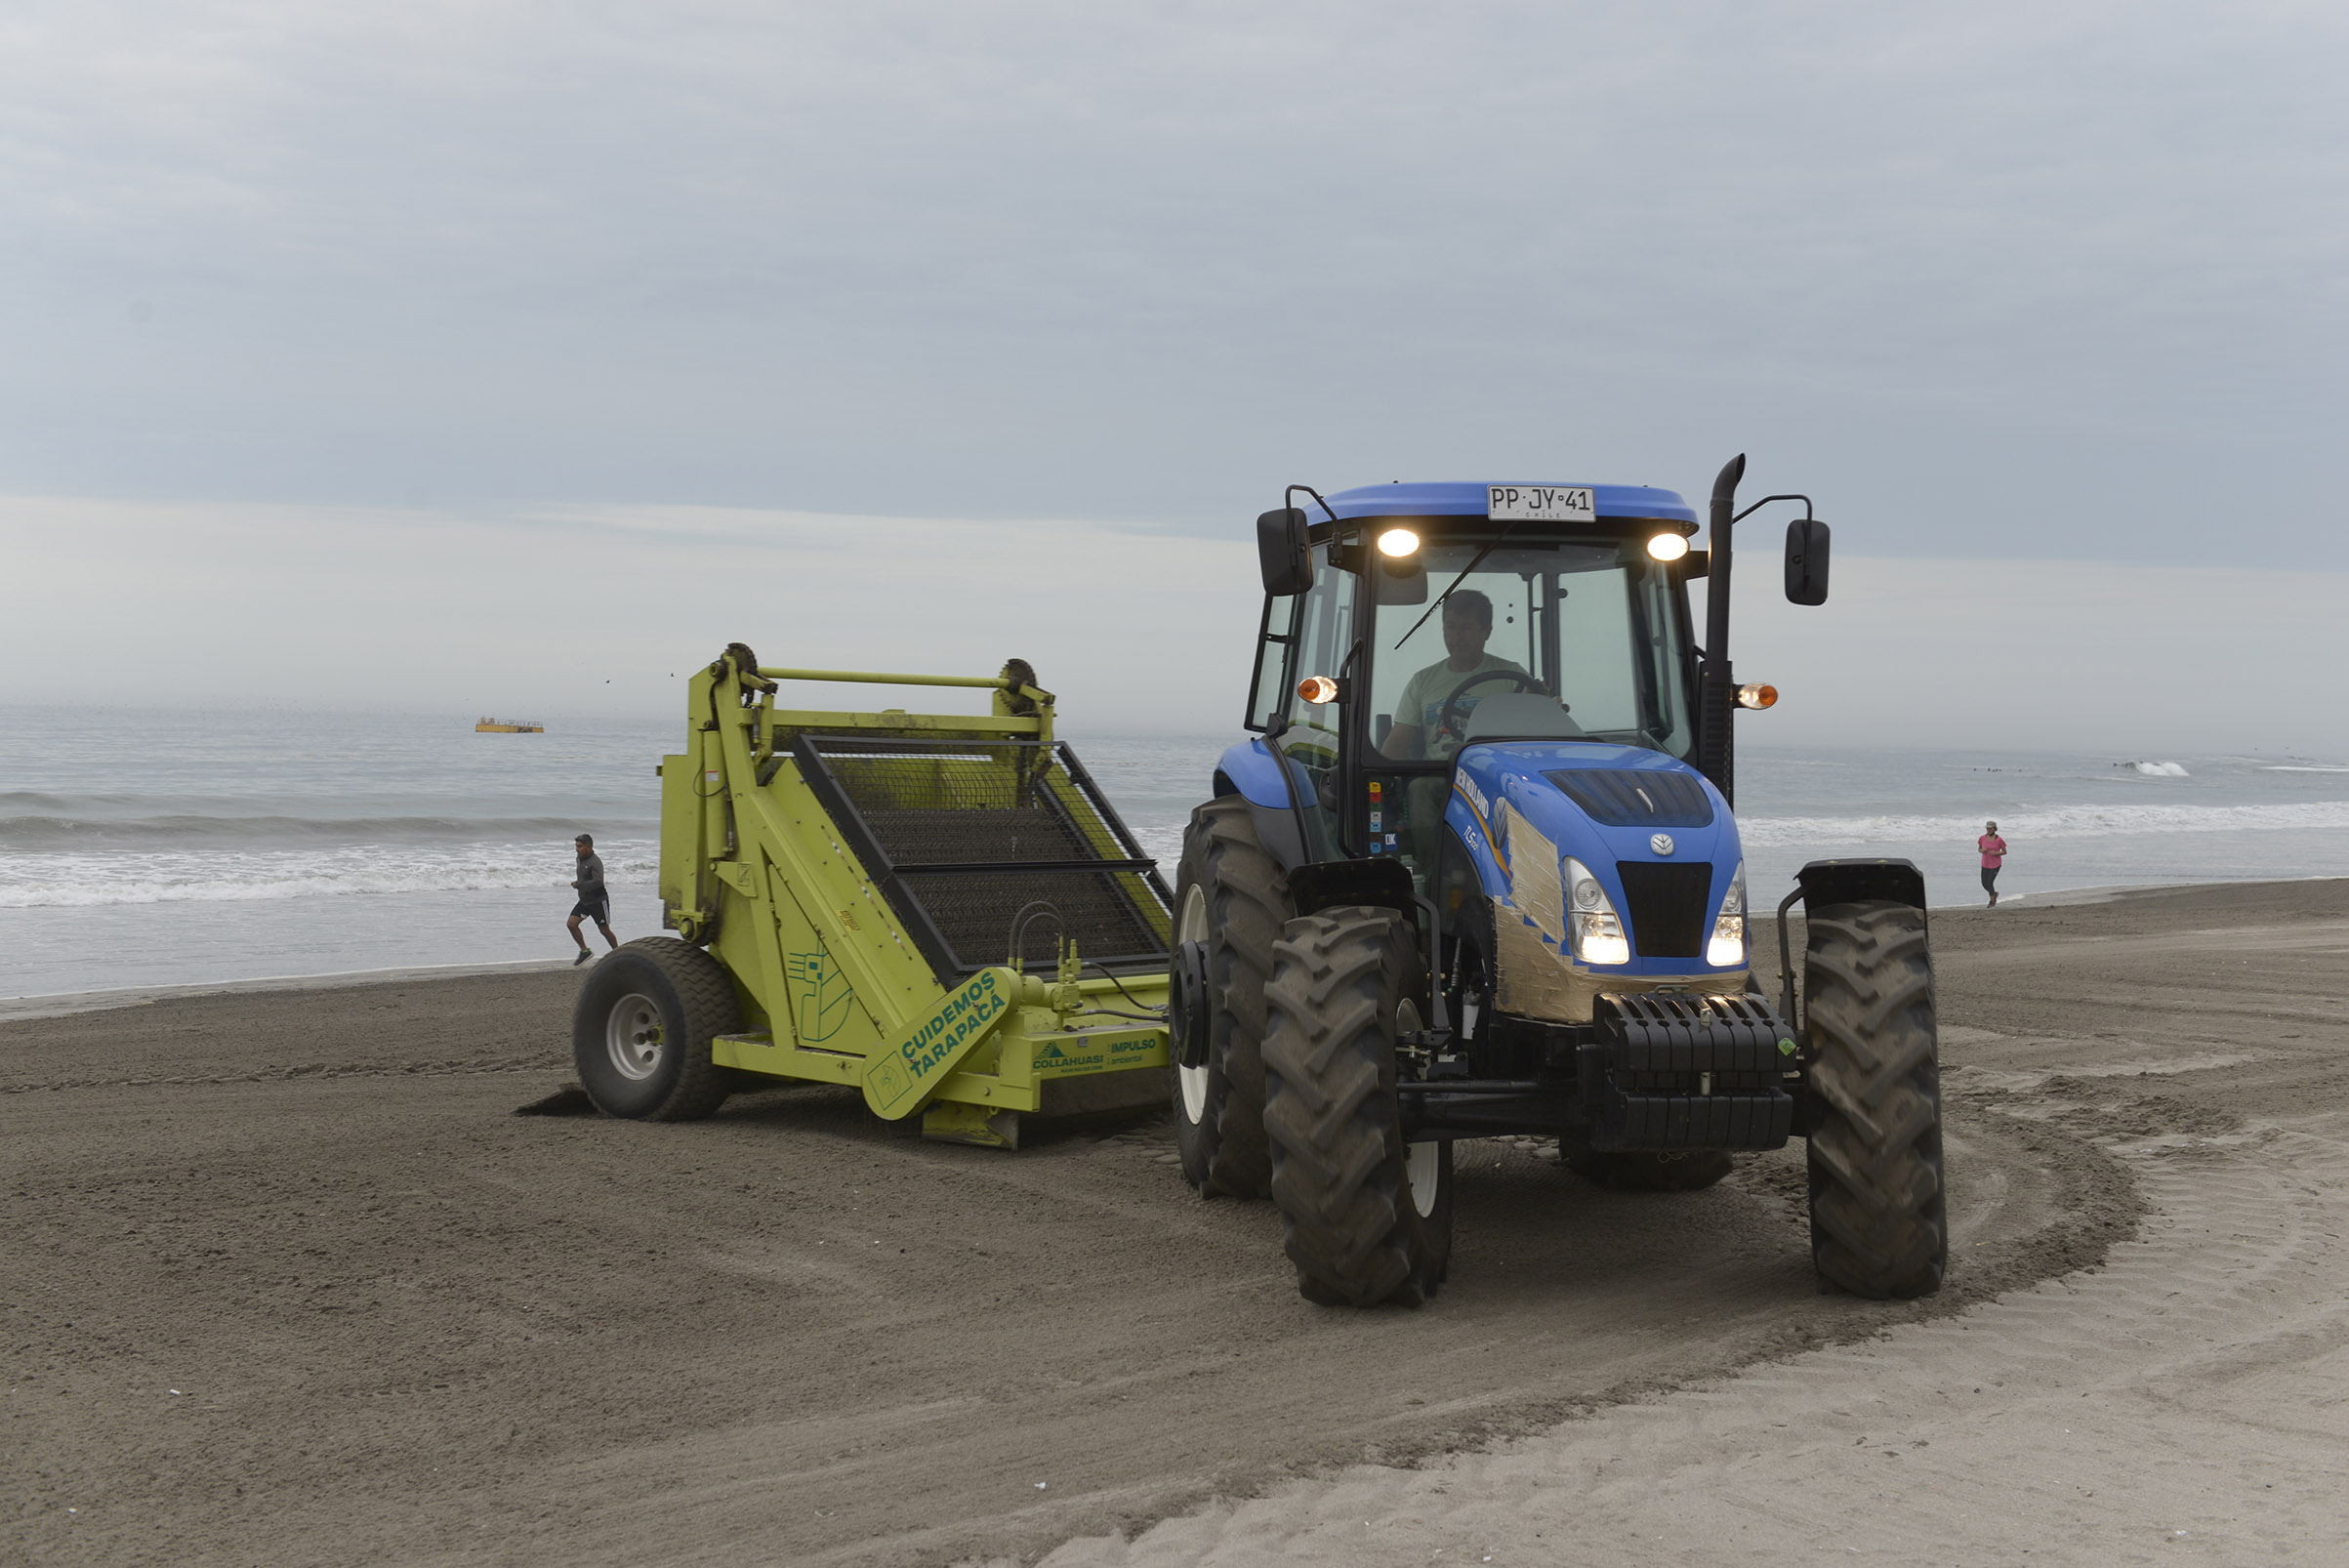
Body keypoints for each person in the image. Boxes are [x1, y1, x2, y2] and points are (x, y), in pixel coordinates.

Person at [1380, 590, 1530, 762]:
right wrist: (1379, 776)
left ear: (1487, 632)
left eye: (1466, 628)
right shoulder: (1421, 682)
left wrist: (1541, 704)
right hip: (1438, 775)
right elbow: (1398, 741)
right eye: (1450, 627)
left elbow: (1538, 728)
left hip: (1494, 773)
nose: (1457, 636)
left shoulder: (1512, 677)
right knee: (1419, 788)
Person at [568, 833, 617, 964]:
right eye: (576, 846)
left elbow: (598, 882)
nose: (577, 849)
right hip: (584, 901)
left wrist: (579, 885)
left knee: (604, 930)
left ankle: (617, 953)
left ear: (589, 847)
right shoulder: (579, 858)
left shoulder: (595, 862)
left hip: (598, 901)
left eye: (580, 846)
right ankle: (585, 951)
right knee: (571, 924)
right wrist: (581, 887)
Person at [1978, 819, 2007, 907]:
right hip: (1985, 863)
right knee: (1984, 884)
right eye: (1987, 828)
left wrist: (1996, 853)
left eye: (1990, 829)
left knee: (1990, 882)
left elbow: (2005, 852)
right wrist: (1981, 850)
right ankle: (1994, 894)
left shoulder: (1999, 840)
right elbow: (1979, 848)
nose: (1988, 830)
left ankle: (1992, 901)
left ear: (1994, 829)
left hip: (1995, 864)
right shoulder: (1982, 838)